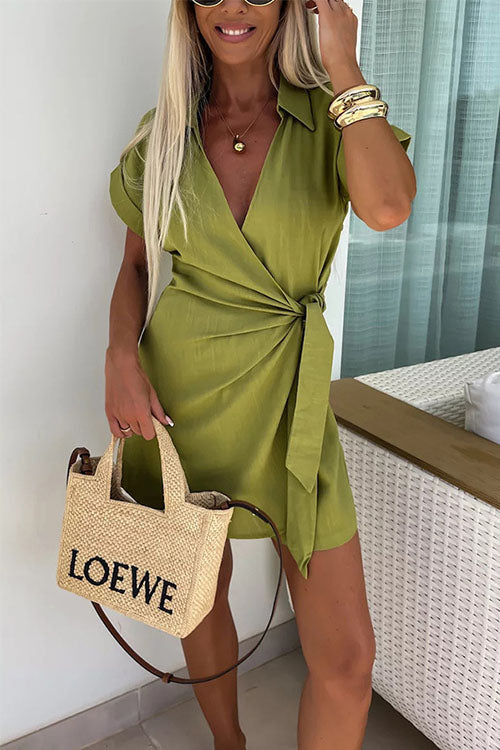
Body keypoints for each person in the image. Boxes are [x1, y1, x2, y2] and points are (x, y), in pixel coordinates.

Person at [106, 0, 415, 747]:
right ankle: (229, 743)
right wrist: (118, 356)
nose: (234, 6)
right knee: (197, 592)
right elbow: (138, 264)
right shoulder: (164, 133)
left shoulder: (332, 117)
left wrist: (343, 63)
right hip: (181, 400)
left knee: (348, 661)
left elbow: (387, 207)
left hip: (292, 404)